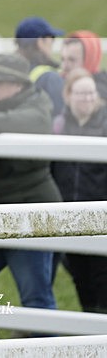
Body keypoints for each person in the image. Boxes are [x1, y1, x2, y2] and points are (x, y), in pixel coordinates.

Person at [0, 53, 61, 323]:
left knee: (35, 298)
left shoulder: (37, 110)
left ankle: (45, 350)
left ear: (18, 85)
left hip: (29, 219)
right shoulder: (0, 107)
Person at [50, 68, 107, 314]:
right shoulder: (58, 126)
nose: (87, 98)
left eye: (91, 93)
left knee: (102, 274)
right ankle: (90, 322)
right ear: (68, 94)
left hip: (100, 214)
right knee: (79, 274)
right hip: (69, 214)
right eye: (81, 93)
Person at [15, 16, 65, 117]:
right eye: (52, 39)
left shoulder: (11, 71)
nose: (52, 44)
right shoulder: (50, 78)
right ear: (40, 42)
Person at [60, 30, 107, 101]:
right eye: (63, 59)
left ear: (90, 60)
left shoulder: (99, 95)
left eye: (72, 60)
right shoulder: (61, 82)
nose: (64, 66)